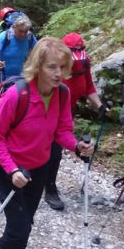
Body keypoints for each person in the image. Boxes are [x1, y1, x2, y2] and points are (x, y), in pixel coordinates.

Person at [0, 37, 94, 249]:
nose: (58, 73)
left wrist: (76, 146)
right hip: (8, 169)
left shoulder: (63, 94)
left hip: (37, 169)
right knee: (19, 227)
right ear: (38, 67)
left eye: (62, 67)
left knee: (25, 223)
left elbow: (62, 131)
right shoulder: (17, 95)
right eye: (51, 67)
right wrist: (12, 170)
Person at [43, 32, 107, 211]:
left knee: (55, 151)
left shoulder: (83, 63)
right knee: (41, 147)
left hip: (66, 111)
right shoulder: (57, 64)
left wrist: (100, 105)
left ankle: (50, 187)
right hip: (46, 109)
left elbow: (88, 87)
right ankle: (28, 178)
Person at [0, 13, 37, 85]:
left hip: (19, 77)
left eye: (25, 31)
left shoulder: (30, 37)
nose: (23, 34)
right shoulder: (4, 36)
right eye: (20, 31)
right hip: (0, 76)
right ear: (14, 27)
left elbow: (39, 50)